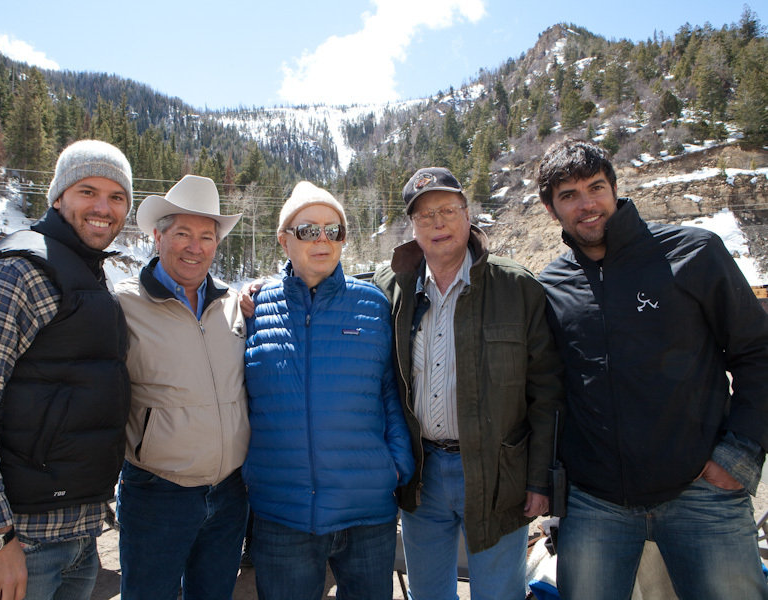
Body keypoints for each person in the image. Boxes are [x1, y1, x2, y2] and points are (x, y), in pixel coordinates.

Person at [536, 138, 768, 600]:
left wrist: (740, 452)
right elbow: (547, 389)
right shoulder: (551, 285)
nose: (587, 205)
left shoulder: (694, 253)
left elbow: (757, 350)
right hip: (595, 503)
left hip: (701, 492)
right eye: (569, 195)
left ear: (616, 188)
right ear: (551, 209)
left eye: (595, 187)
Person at [0, 139, 134, 600]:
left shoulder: (84, 270)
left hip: (75, 534)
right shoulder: (17, 272)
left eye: (117, 197)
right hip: (20, 537)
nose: (103, 207)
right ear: (58, 197)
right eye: (87, 191)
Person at [371, 167, 563, 600]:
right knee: (429, 594)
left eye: (447, 210)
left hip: (497, 475)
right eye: (424, 216)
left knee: (499, 594)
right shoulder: (392, 288)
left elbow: (547, 392)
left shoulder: (516, 286)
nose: (437, 224)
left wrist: (539, 479)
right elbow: (333, 297)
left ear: (467, 213)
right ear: (412, 227)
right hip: (422, 476)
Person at [244, 182, 415, 600]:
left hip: (367, 513)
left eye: (333, 230)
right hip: (282, 514)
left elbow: (390, 390)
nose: (323, 240)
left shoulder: (373, 304)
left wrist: (396, 465)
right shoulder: (252, 309)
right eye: (307, 230)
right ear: (284, 239)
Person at [115, 174, 249, 599]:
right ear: (158, 236)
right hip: (158, 493)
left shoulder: (235, 304)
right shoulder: (123, 304)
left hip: (230, 493)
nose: (196, 247)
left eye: (206, 237)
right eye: (183, 234)